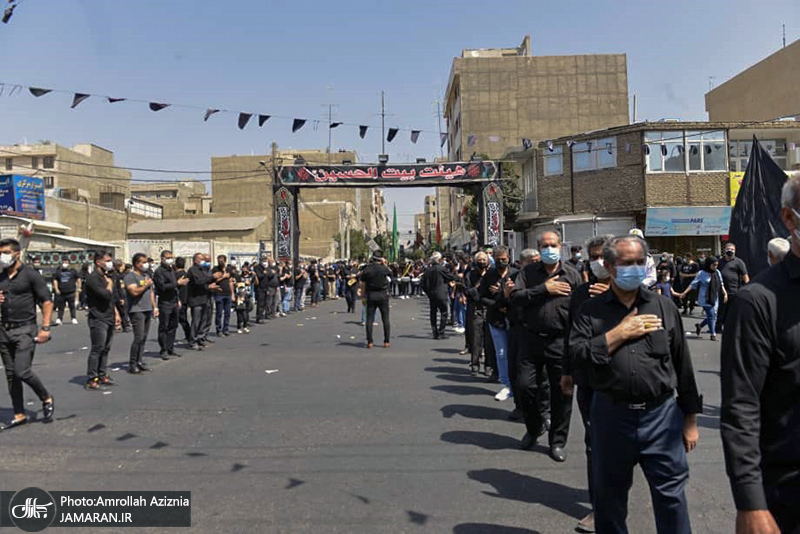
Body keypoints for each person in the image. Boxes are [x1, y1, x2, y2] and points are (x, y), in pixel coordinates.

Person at [569, 234, 702, 534]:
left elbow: (683, 364)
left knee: (671, 497)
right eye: (627, 263)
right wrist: (618, 334)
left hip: (661, 416)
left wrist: (690, 419)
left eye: (640, 262)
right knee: (609, 501)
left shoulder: (663, 306)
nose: (634, 268)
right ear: (610, 266)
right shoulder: (590, 310)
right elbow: (577, 355)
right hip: (612, 416)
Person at [720, 175, 800, 534]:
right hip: (788, 490)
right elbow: (741, 405)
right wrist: (750, 502)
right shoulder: (757, 302)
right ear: (789, 218)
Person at [559, 235, 614, 533]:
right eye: (593, 257)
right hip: (591, 381)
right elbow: (572, 338)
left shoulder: (635, 293)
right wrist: (567, 372)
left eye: (604, 256)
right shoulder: (581, 295)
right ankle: (600, 508)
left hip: (629, 383)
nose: (598, 263)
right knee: (596, 443)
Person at [510, 231, 580, 462]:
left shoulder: (572, 274)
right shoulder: (528, 273)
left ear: (561, 246)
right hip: (531, 340)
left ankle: (557, 441)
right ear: (538, 248)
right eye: (544, 245)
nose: (549, 248)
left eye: (553, 244)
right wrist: (544, 289)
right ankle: (533, 427)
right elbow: (516, 297)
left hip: (561, 342)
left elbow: (581, 308)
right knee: (525, 386)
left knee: (562, 393)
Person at [0, 238, 55, 430]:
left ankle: (46, 397)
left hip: (26, 329)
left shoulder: (31, 275)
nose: (2, 256)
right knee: (10, 375)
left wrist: (45, 328)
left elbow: (47, 301)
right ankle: (19, 413)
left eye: (6, 252)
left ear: (17, 253)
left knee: (21, 371)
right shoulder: (1, 276)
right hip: (4, 330)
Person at [480, 246, 515, 402]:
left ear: (509, 257)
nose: (502, 262)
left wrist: (500, 292)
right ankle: (506, 384)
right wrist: (496, 304)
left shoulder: (516, 273)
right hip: (496, 320)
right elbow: (482, 297)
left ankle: (516, 384)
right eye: (498, 259)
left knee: (515, 353)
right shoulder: (489, 275)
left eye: (504, 259)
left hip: (515, 319)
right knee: (501, 353)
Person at [84, 251, 118, 390]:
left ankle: (102, 374)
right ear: (98, 262)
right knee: (97, 348)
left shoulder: (106, 276)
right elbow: (104, 295)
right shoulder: (93, 278)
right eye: (108, 260)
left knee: (106, 348)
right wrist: (109, 284)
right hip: (98, 317)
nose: (110, 263)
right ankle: (92, 378)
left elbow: (111, 299)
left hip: (109, 315)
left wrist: (116, 314)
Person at [676, 256, 727, 341]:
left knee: (713, 316)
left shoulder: (717, 272)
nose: (715, 267)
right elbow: (693, 284)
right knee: (711, 315)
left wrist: (725, 293)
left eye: (716, 265)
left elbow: (721, 284)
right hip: (705, 298)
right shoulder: (701, 273)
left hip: (715, 297)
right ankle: (712, 334)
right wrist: (684, 293)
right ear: (708, 264)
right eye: (713, 265)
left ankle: (700, 326)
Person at [125, 253, 158, 374]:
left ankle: (140, 361)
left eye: (146, 262)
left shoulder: (146, 275)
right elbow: (134, 292)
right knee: (138, 338)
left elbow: (151, 292)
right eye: (143, 262)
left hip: (147, 308)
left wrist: (154, 307)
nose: (146, 264)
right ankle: (132, 364)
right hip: (136, 310)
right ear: (136, 264)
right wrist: (145, 285)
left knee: (144, 338)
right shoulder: (130, 277)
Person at [153, 250, 187, 360]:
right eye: (168, 257)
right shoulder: (159, 272)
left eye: (171, 257)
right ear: (162, 258)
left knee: (173, 325)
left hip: (173, 301)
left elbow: (175, 287)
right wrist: (177, 283)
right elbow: (162, 287)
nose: (170, 260)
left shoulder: (171, 270)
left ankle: (170, 348)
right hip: (165, 302)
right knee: (164, 326)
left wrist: (177, 299)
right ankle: (163, 350)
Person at [359, 251, 392, 349]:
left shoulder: (367, 269)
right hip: (382, 294)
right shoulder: (384, 269)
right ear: (381, 259)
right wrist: (385, 264)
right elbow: (391, 274)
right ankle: (386, 341)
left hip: (371, 294)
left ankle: (370, 341)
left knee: (369, 319)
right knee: (385, 319)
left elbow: (362, 284)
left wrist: (363, 296)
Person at [464, 252, 490, 375]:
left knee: (489, 341)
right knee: (476, 339)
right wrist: (479, 285)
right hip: (475, 309)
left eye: (484, 259)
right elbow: (467, 291)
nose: (482, 262)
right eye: (480, 260)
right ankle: (475, 365)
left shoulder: (491, 274)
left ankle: (488, 366)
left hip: (489, 309)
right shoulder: (470, 275)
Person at [716, 242, 749, 334]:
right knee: (721, 311)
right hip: (722, 291)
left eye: (732, 249)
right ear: (724, 250)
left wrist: (746, 289)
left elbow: (745, 277)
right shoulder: (720, 262)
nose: (730, 251)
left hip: (734, 291)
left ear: (735, 251)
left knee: (733, 312)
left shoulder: (739, 262)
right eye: (728, 249)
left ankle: (732, 328)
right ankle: (718, 328)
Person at [423, 251, 457, 339]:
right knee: (444, 312)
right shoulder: (440, 269)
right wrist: (458, 276)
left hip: (432, 295)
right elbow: (450, 276)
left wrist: (428, 292)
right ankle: (441, 332)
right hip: (441, 294)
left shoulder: (428, 270)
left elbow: (423, 284)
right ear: (439, 259)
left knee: (433, 313)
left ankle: (435, 332)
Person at [187, 253, 216, 351]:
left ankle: (200, 338)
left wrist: (210, 286)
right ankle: (193, 341)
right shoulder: (192, 270)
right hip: (196, 299)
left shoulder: (202, 270)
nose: (203, 261)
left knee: (204, 320)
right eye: (202, 259)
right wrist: (212, 277)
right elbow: (199, 281)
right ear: (196, 260)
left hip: (204, 298)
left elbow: (205, 283)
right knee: (196, 321)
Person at [52, 259, 80, 325]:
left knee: (72, 306)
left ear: (69, 263)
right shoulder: (58, 272)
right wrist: (56, 289)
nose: (65, 264)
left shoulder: (73, 271)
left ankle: (73, 318)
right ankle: (59, 318)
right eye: (64, 262)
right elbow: (55, 280)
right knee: (61, 307)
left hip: (71, 292)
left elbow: (78, 278)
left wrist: (79, 287)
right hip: (61, 293)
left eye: (66, 262)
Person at [213, 255, 234, 336]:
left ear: (225, 261)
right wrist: (223, 276)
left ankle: (226, 329)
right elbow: (214, 281)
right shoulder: (215, 269)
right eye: (219, 261)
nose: (220, 262)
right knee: (219, 313)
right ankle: (218, 330)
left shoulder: (229, 269)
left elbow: (231, 282)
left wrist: (232, 294)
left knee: (227, 313)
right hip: (219, 294)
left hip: (227, 294)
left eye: (221, 261)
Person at [174, 257, 192, 344]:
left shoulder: (175, 275)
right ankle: (189, 336)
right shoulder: (186, 274)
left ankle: (189, 336)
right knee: (182, 318)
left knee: (180, 319)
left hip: (178, 300)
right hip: (185, 299)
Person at [113, 259, 131, 332]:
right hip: (114, 295)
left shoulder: (122, 274)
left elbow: (119, 287)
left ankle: (125, 325)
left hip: (120, 295)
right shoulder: (114, 274)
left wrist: (121, 297)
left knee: (123, 311)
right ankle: (117, 325)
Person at [234, 265, 253, 334]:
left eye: (246, 269)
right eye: (243, 269)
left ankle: (245, 326)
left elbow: (256, 282)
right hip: (240, 296)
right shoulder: (239, 276)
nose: (244, 271)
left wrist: (253, 274)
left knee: (246, 313)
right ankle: (239, 327)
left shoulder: (250, 276)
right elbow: (236, 284)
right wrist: (244, 283)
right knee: (240, 313)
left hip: (247, 296)